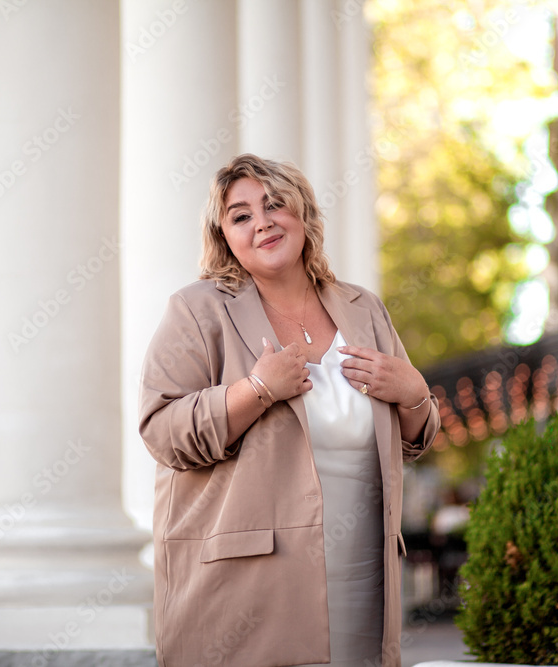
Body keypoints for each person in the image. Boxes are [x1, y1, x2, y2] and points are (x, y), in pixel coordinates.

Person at [139, 154, 439, 667]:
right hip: (252, 583)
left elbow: (415, 438)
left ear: (303, 214)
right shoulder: (197, 310)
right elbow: (161, 431)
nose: (262, 222)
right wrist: (257, 388)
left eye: (275, 204)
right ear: (224, 236)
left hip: (365, 569)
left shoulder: (362, 308)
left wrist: (413, 390)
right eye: (240, 215)